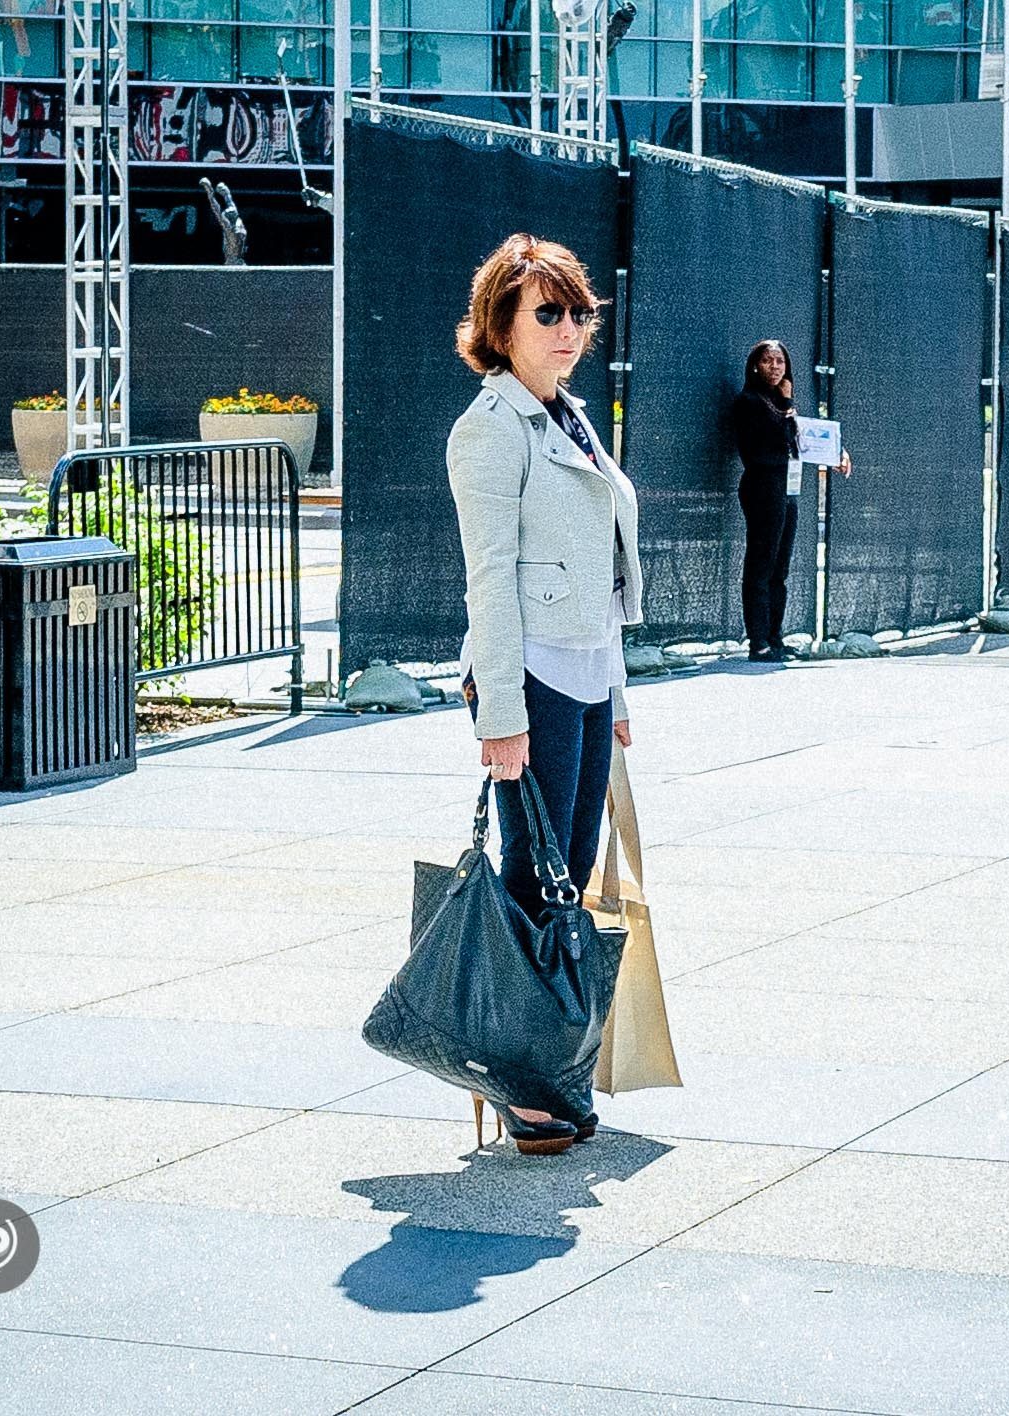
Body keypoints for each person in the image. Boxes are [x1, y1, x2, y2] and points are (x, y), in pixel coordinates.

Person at [447, 232, 644, 1156]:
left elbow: (595, 565)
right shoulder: (490, 430)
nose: (569, 330)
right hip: (532, 677)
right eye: (548, 313)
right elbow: (489, 580)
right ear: (502, 323)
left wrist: (620, 690)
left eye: (578, 313)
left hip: (588, 669)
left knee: (569, 864)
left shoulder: (567, 415)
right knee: (534, 873)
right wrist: (500, 720)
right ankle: (524, 1077)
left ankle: (539, 1063)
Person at [731, 339, 849, 662]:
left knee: (779, 568)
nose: (774, 367)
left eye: (780, 361)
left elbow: (802, 441)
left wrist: (836, 452)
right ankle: (759, 642)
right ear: (756, 364)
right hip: (762, 486)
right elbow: (771, 438)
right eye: (768, 361)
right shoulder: (750, 402)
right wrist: (785, 406)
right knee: (761, 563)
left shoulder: (783, 404)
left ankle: (775, 635)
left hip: (787, 488)